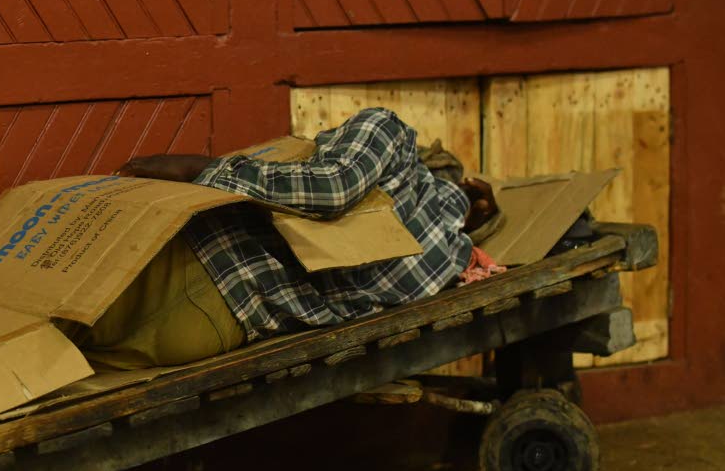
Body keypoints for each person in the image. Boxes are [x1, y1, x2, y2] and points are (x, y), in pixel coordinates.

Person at [75, 108, 498, 369]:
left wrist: (201, 169)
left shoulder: (389, 133)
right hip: (211, 333)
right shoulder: (444, 261)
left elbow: (333, 187)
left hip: (199, 263)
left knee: (44, 320)